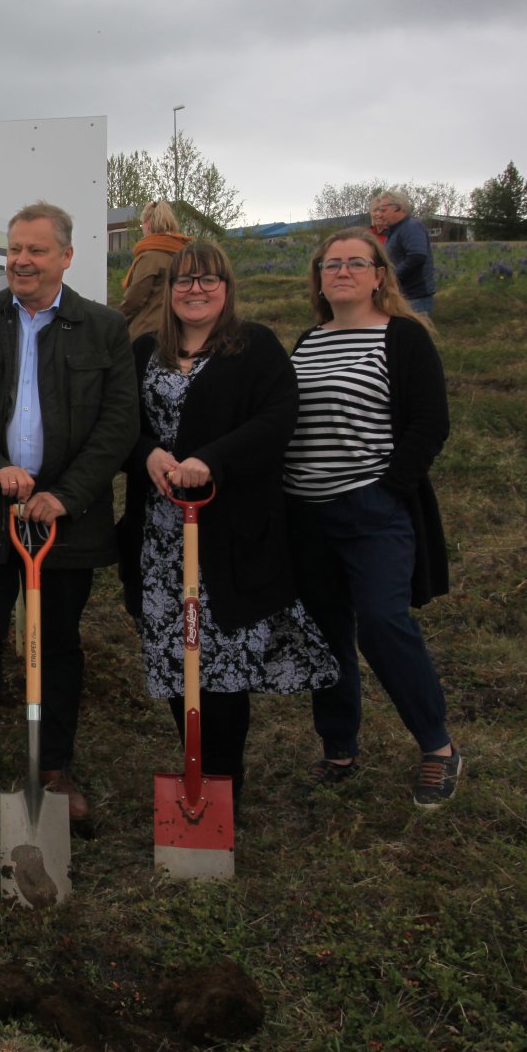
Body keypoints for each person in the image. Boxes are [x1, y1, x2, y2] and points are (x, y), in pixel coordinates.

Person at [0, 201, 138, 831]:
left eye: (36, 250)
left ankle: (55, 770)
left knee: (61, 644)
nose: (21, 260)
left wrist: (65, 494)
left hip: (65, 516)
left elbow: (118, 422)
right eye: (15, 249)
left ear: (66, 257)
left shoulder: (103, 328)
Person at [117, 242, 337, 800]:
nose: (196, 290)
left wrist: (211, 460)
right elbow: (119, 423)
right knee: (174, 656)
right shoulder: (144, 351)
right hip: (159, 537)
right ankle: (195, 770)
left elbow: (277, 418)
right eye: (184, 281)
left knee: (221, 664)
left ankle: (223, 781)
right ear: (168, 292)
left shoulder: (255, 346)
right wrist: (148, 454)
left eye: (208, 280)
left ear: (227, 288)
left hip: (228, 535)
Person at [284, 229, 461, 806]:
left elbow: (430, 423)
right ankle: (339, 749)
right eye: (330, 264)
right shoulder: (308, 342)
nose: (341, 272)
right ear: (318, 278)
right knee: (324, 633)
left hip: (370, 510)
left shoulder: (402, 337)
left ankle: (438, 748)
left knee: (384, 623)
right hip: (305, 515)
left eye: (355, 263)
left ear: (379, 275)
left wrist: (388, 491)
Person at [118, 200, 193, 339]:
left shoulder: (151, 257)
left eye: (142, 224)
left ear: (148, 224)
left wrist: (115, 320)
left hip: (147, 332)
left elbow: (135, 299)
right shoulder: (183, 254)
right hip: (178, 330)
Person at [370, 189, 437, 316]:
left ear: (398, 208)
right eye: (379, 210)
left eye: (384, 210)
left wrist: (391, 276)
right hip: (403, 296)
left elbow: (417, 256)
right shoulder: (394, 231)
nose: (380, 214)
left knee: (415, 334)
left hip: (416, 297)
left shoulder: (411, 227)